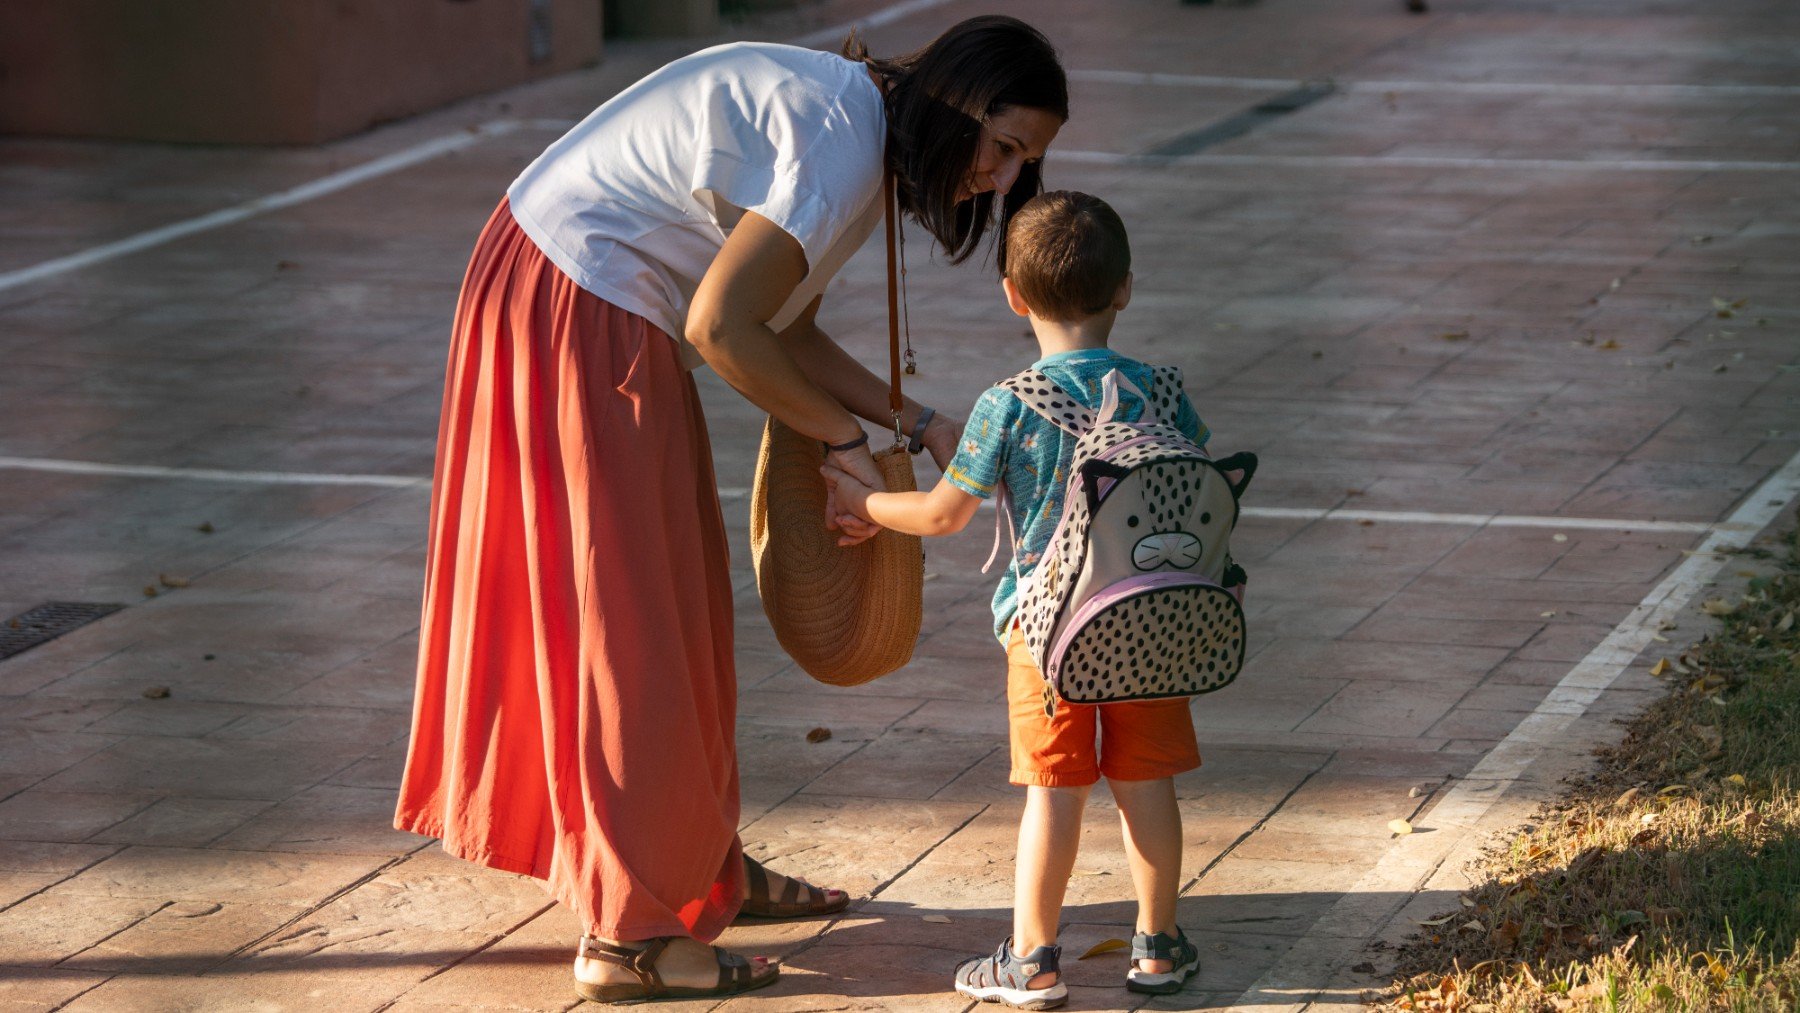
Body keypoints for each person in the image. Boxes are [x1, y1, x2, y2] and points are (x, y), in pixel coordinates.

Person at [390, 15, 1068, 1005]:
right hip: (572, 299)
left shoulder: (851, 123)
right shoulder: (841, 140)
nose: (1003, 181)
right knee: (632, 627)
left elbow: (779, 329)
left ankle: (701, 869)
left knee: (675, 608)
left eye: (1026, 164)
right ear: (953, 101)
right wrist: (842, 446)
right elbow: (721, 328)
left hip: (565, 290)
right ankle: (632, 938)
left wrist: (921, 423)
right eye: (1003, 148)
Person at [823, 192, 1211, 1009]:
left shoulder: (1011, 403)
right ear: (1126, 289)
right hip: (1150, 617)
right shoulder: (1166, 391)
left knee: (1053, 791)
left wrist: (863, 505)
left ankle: (1032, 961)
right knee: (1148, 784)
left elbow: (942, 514)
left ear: (1013, 295)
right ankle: (1159, 947)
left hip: (1046, 633)